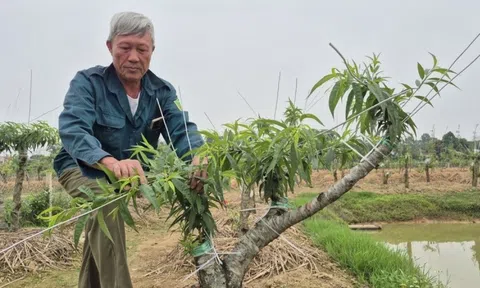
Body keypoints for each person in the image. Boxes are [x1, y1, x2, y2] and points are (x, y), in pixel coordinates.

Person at [53, 11, 207, 288]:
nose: (133, 57)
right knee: (107, 205)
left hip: (129, 176)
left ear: (152, 51)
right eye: (125, 48)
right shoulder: (88, 83)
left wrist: (197, 155)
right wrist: (110, 162)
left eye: (142, 49)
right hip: (80, 168)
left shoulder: (162, 92)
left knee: (101, 233)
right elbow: (73, 130)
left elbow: (181, 129)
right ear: (110, 46)